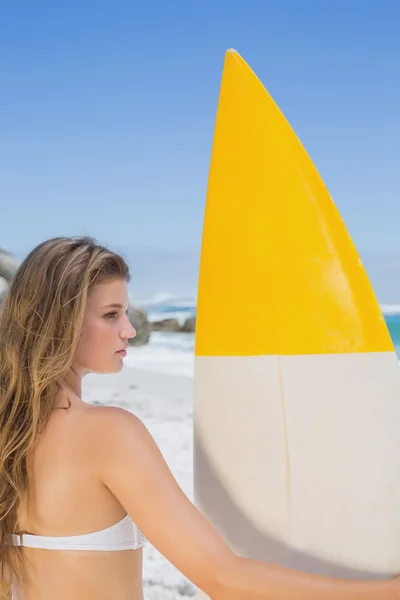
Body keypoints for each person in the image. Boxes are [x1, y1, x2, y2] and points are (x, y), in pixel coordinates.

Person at [0, 235, 399, 600]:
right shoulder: (107, 433)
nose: (129, 331)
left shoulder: (9, 432)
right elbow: (223, 578)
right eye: (111, 315)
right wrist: (386, 592)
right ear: (60, 322)